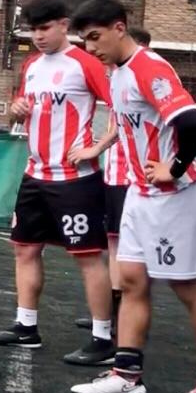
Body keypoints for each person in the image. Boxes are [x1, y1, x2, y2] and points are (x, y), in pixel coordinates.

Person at [68, 0, 196, 393]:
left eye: (96, 37)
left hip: (174, 198)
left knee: (189, 289)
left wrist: (173, 169)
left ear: (119, 28)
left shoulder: (149, 68)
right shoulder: (117, 73)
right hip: (140, 195)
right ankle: (126, 376)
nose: (91, 47)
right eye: (85, 41)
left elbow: (192, 121)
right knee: (131, 282)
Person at [0, 0, 116, 366]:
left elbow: (123, 106)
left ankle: (103, 338)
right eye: (32, 30)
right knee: (24, 249)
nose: (38, 36)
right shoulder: (31, 65)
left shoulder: (85, 63)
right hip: (35, 175)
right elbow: (19, 113)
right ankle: (26, 327)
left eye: (44, 28)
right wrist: (16, 110)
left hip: (75, 179)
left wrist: (97, 147)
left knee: (87, 257)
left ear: (63, 25)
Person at [72, 27, 151, 332]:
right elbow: (117, 124)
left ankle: (126, 314)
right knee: (114, 241)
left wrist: (95, 148)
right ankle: (113, 313)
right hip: (114, 173)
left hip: (134, 177)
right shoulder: (116, 78)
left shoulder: (143, 78)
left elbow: (123, 128)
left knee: (130, 247)